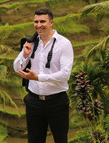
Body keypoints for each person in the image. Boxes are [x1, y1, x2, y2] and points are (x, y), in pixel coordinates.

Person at [13, 8, 74, 143]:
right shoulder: (30, 42)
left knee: (61, 140)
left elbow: (65, 74)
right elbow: (17, 67)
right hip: (34, 101)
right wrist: (24, 54)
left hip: (57, 101)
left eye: (42, 21)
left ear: (51, 22)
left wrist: (38, 77)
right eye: (36, 21)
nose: (38, 25)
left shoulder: (64, 44)